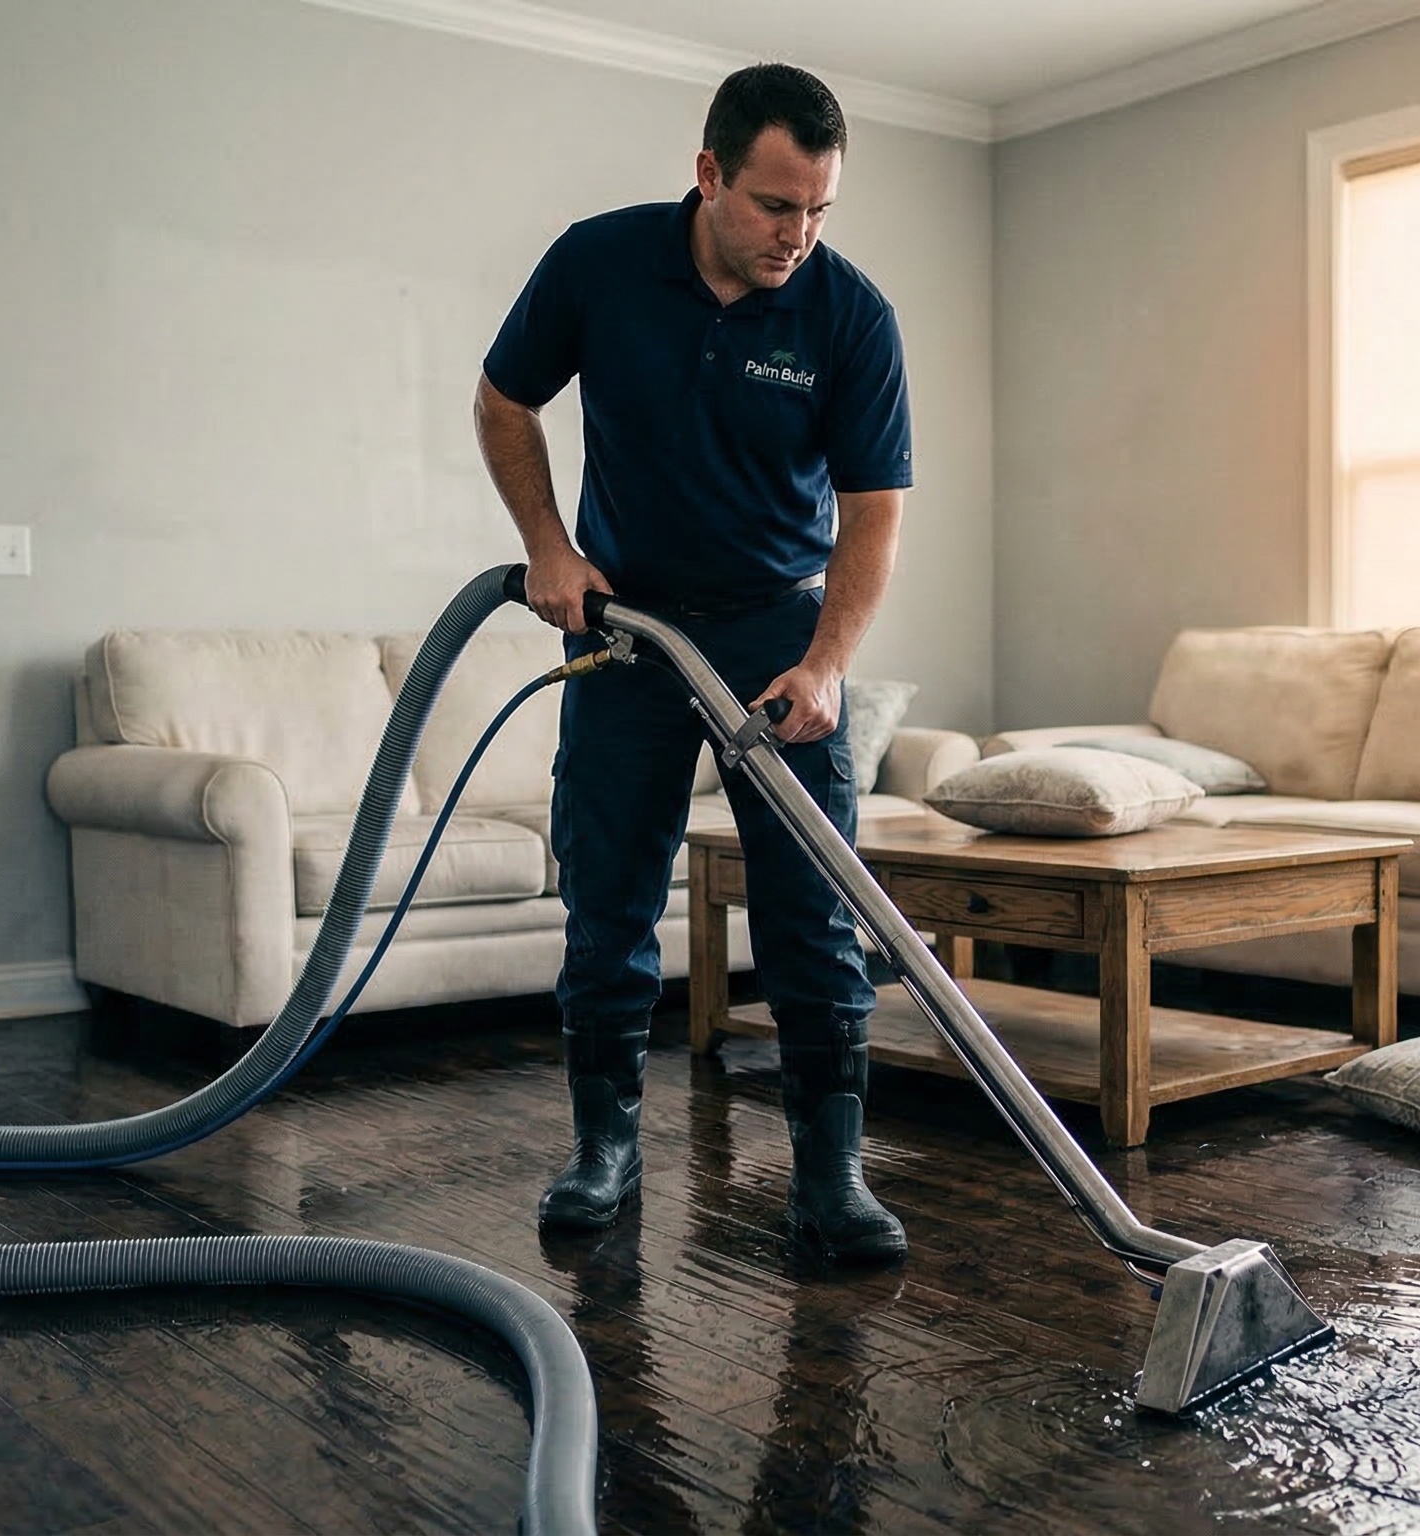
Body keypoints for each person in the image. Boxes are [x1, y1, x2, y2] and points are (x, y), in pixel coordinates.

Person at [475, 63, 914, 1263]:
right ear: (709, 172)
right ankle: (603, 1152)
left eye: (820, 209)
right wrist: (548, 549)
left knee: (811, 912)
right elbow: (504, 399)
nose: (798, 235)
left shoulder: (847, 314)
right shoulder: (600, 263)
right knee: (610, 897)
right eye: (777, 205)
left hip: (780, 635)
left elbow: (873, 512)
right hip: (626, 629)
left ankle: (831, 1177)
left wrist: (828, 662)